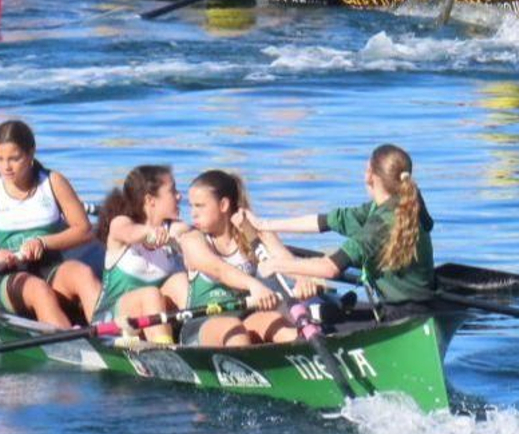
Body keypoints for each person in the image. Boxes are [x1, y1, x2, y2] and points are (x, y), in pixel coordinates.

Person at [243, 144, 438, 315]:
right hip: (425, 306)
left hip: (401, 313)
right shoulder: (407, 204)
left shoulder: (379, 224)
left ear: (371, 176)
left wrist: (275, 265)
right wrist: (264, 225)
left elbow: (330, 269)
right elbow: (324, 222)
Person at [92, 165, 276, 344]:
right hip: (111, 320)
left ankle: (191, 336)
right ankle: (165, 349)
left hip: (153, 317)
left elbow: (196, 236)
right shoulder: (121, 223)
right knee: (151, 294)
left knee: (180, 281)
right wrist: (149, 233)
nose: (179, 196)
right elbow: (129, 232)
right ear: (150, 200)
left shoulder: (179, 229)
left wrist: (246, 230)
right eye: (173, 191)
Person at [0, 120, 103, 328]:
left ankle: (111, 337)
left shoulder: (53, 182)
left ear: (31, 153)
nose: (6, 167)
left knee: (83, 274)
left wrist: (43, 242)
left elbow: (84, 230)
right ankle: (69, 342)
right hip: (10, 278)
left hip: (52, 268)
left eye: (14, 159)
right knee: (39, 291)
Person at [165, 169, 298, 347]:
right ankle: (246, 369)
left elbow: (286, 262)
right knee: (232, 327)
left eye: (200, 206)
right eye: (191, 206)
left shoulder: (250, 233)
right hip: (201, 326)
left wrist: (304, 278)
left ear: (223, 205)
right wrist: (254, 285)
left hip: (245, 318)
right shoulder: (192, 239)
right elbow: (219, 270)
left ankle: (306, 364)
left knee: (276, 322)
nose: (193, 213)